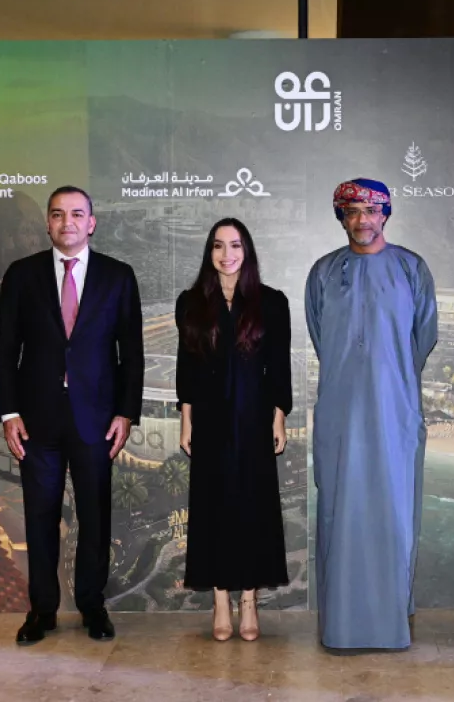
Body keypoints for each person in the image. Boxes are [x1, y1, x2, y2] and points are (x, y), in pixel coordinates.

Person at [0, 185, 144, 645]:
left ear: (91, 223)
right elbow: (6, 349)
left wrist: (125, 413)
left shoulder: (118, 276)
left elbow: (131, 353)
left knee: (95, 515)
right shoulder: (21, 275)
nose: (68, 222)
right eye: (58, 214)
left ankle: (92, 606)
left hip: (96, 418)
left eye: (77, 214)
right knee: (39, 515)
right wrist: (9, 412)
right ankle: (41, 611)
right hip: (36, 418)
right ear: (48, 223)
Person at [304, 178, 438, 650]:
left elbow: (422, 338)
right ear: (341, 217)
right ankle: (341, 625)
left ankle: (391, 618)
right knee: (340, 511)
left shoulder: (411, 268)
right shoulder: (324, 272)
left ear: (385, 214)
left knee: (394, 513)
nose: (362, 219)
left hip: (394, 412)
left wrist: (389, 379)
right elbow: (321, 336)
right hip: (340, 413)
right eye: (352, 211)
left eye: (371, 210)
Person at [175, 218, 291, 642]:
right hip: (209, 420)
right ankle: (220, 600)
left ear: (248, 251)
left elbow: (279, 366)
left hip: (254, 418)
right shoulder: (191, 302)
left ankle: (249, 600)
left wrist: (279, 416)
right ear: (209, 252)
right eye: (219, 246)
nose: (228, 254)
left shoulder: (271, 302)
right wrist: (186, 419)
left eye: (236, 245)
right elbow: (186, 366)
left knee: (253, 508)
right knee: (214, 508)